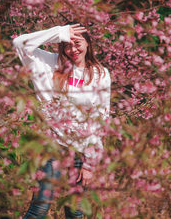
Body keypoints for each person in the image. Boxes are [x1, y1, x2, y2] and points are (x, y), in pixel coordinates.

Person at [13, 22, 111, 219]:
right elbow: (18, 43)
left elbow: (101, 118)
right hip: (52, 149)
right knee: (39, 209)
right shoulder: (48, 64)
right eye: (67, 44)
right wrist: (59, 32)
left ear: (88, 44)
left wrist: (89, 163)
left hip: (80, 153)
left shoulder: (100, 74)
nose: (73, 49)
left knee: (75, 212)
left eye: (78, 43)